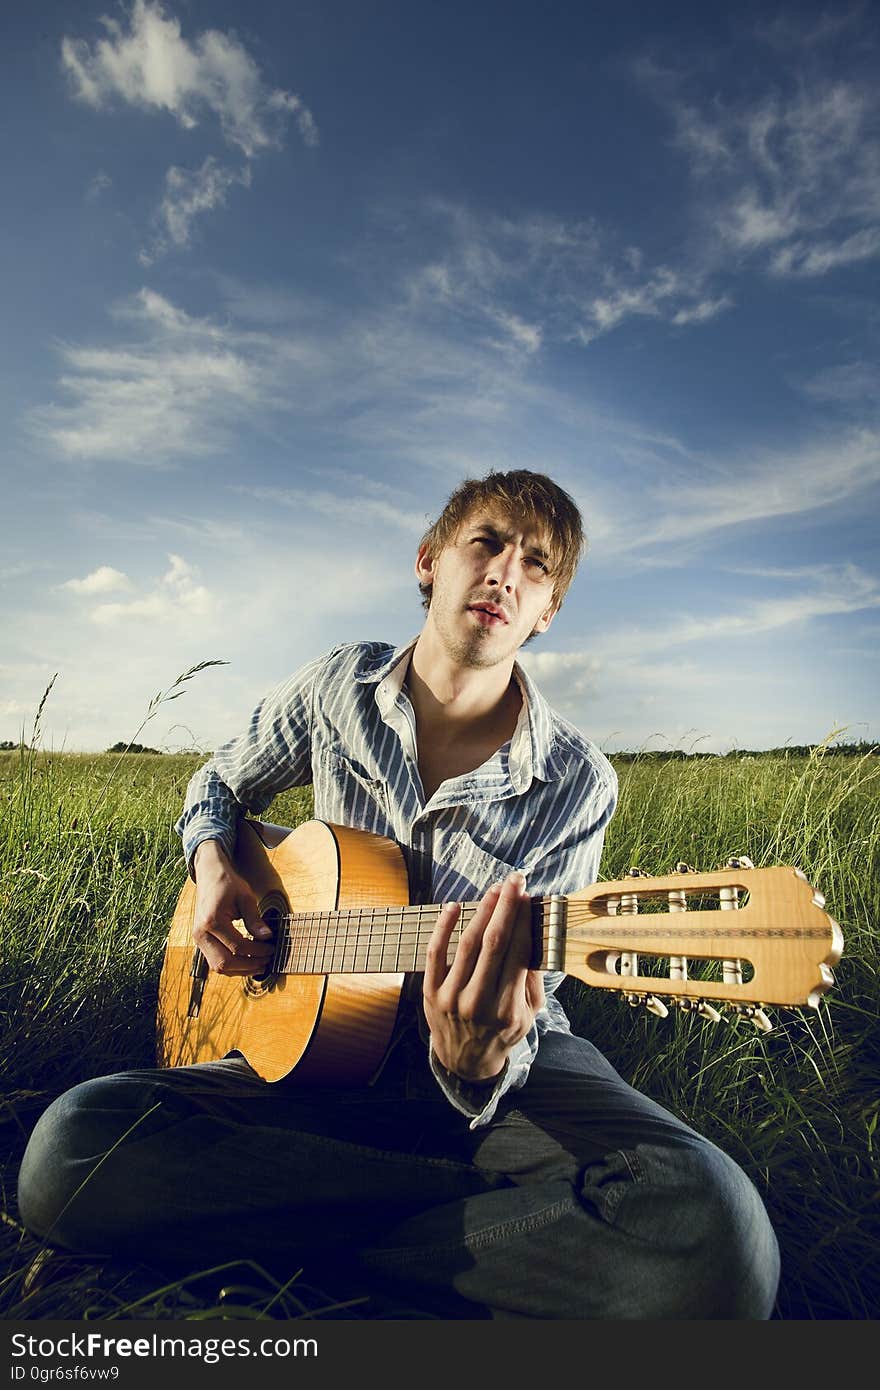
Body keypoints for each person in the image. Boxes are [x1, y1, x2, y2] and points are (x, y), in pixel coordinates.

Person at [17, 468, 780, 1319]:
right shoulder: (335, 690)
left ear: (547, 611)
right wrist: (213, 868)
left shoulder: (577, 781)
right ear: (430, 561)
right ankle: (475, 1240)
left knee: (720, 1241)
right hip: (307, 1048)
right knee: (66, 1152)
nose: (504, 574)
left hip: (504, 1076)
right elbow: (215, 788)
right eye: (486, 542)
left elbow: (531, 1006)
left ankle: (308, 1222)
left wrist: (475, 1062)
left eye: (535, 566)